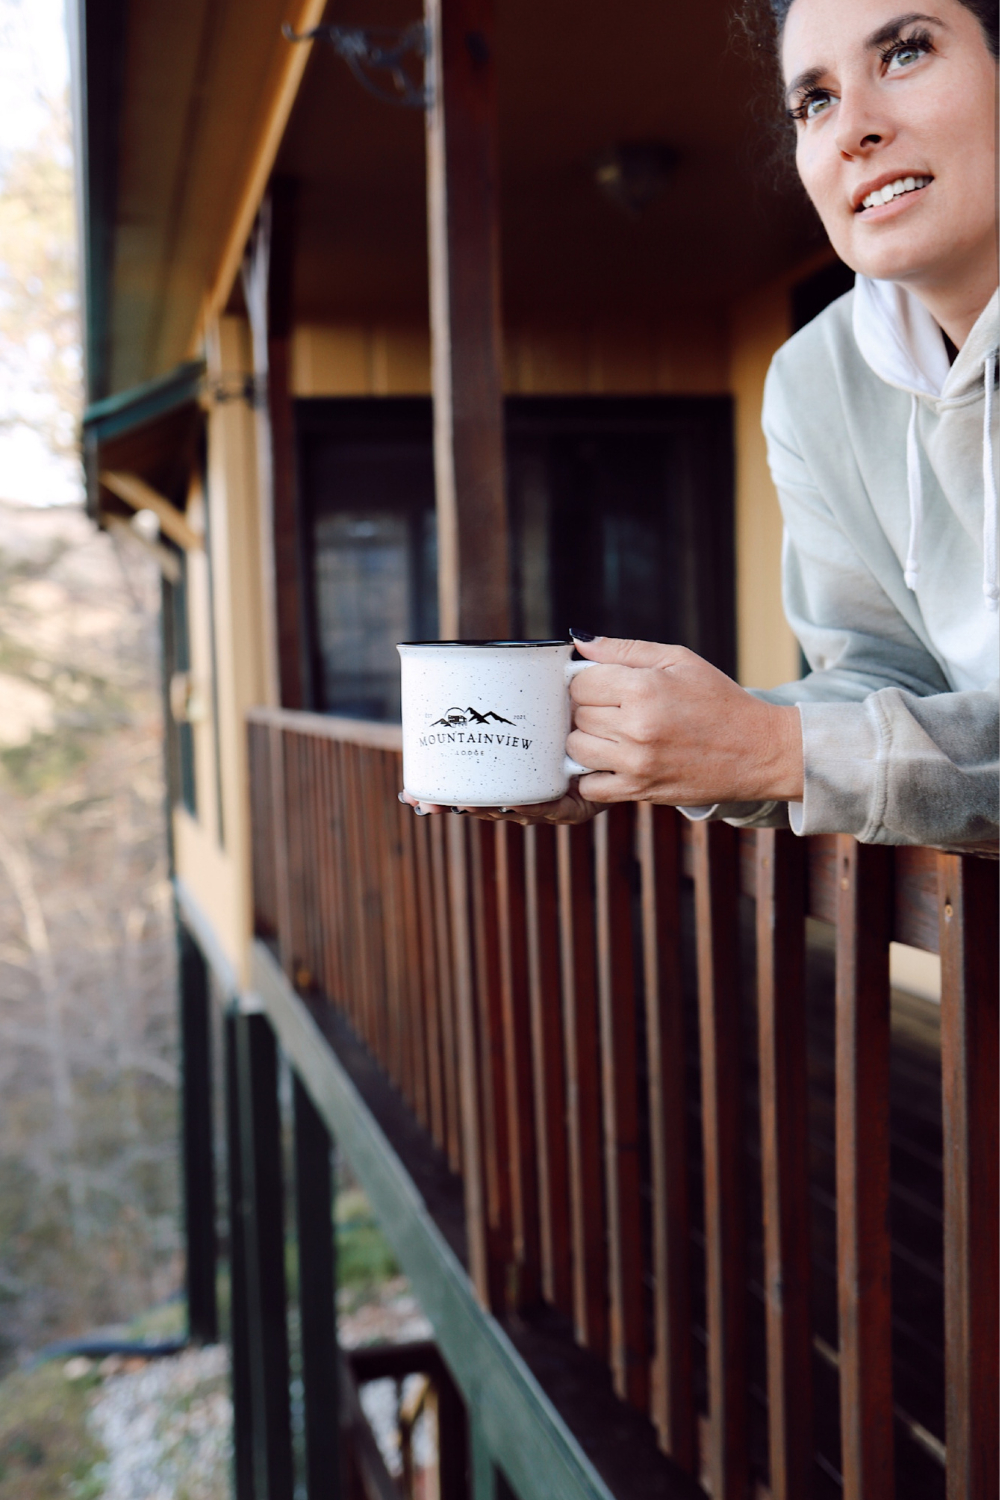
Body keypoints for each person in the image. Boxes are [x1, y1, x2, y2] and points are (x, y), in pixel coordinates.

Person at [407, 0, 998, 850]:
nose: (853, 129)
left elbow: (805, 751)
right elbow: (884, 678)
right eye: (815, 101)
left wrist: (775, 751)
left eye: (906, 53)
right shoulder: (812, 383)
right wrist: (633, 750)